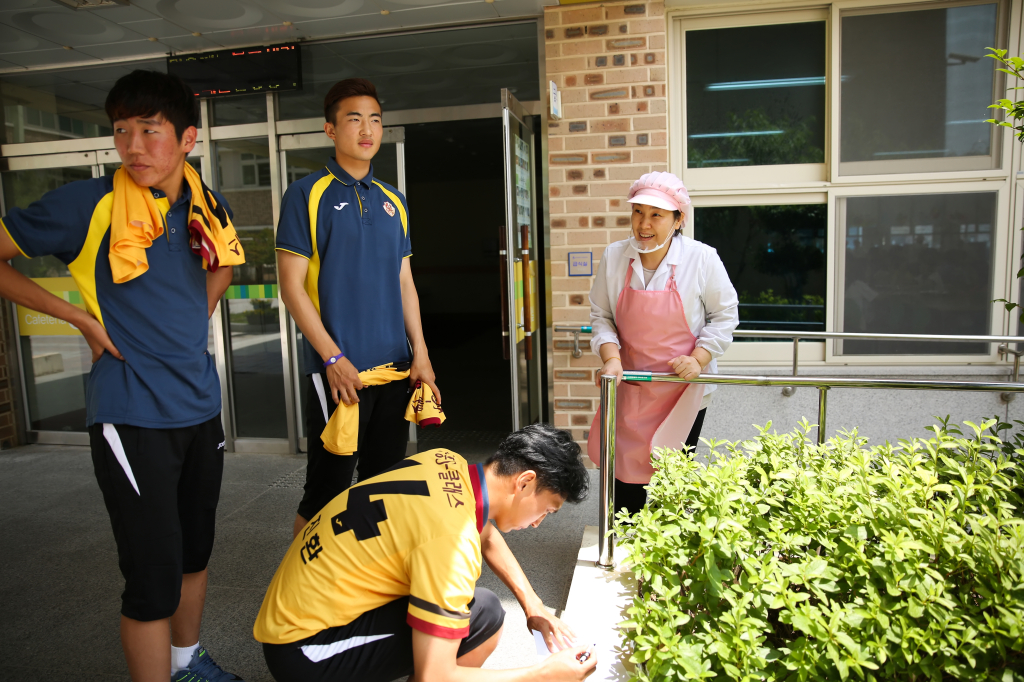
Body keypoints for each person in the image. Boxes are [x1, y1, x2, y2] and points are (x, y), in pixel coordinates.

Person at [0, 71, 245, 681]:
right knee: (152, 575)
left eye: (149, 130)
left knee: (193, 554)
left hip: (199, 407)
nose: (133, 146)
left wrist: (189, 323)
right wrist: (80, 319)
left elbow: (224, 267)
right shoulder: (90, 204)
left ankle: (188, 666)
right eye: (121, 131)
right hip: (131, 415)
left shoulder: (207, 204)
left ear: (187, 138)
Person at [253, 423, 596, 682]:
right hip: (302, 648)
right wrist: (545, 673)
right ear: (524, 482)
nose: (538, 524)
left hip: (298, 609)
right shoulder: (452, 545)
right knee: (475, 626)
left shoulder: (446, 463)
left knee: (485, 611)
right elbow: (437, 675)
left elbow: (485, 533)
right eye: (546, 511)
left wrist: (533, 606)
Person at [276, 77, 440, 538]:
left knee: (382, 487)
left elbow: (404, 281)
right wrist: (332, 357)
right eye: (353, 119)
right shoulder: (306, 195)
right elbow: (292, 289)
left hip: (393, 370)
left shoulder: (394, 201)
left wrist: (421, 352)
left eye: (375, 119)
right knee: (325, 493)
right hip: (337, 373)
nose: (366, 129)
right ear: (330, 129)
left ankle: (363, 592)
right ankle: (303, 598)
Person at [587, 171, 739, 516]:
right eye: (638, 212)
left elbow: (725, 316)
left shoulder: (701, 259)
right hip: (630, 385)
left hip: (681, 389)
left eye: (656, 214)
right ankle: (623, 545)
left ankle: (662, 553)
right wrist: (611, 358)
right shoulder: (614, 256)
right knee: (623, 474)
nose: (644, 223)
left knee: (670, 477)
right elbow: (602, 316)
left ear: (678, 219)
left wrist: (699, 359)